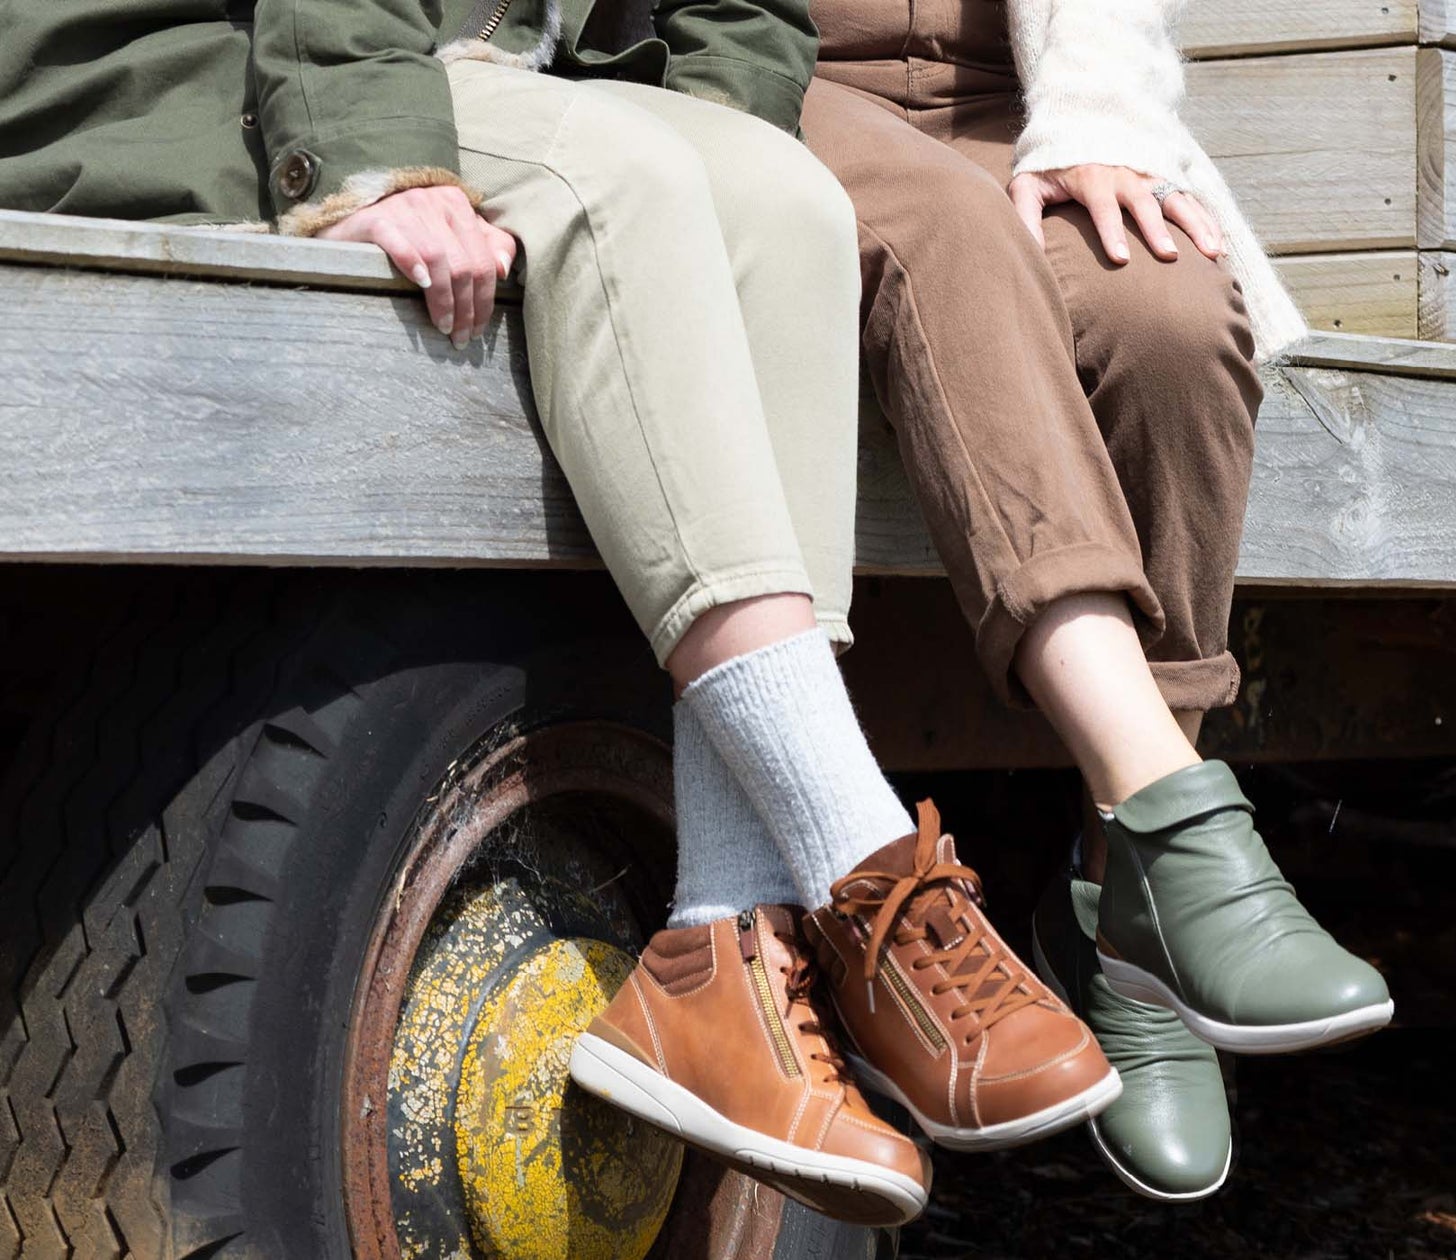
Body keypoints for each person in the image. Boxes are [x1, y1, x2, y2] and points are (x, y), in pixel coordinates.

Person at [0, 0, 1120, 1228]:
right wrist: (377, 154)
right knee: (625, 181)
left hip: (478, 78)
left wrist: (712, 192)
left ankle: (722, 938)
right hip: (221, 70)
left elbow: (744, 24)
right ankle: (859, 858)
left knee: (787, 203)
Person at [798, 0, 1395, 1201]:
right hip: (794, 87)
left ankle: (1120, 902)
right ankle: (1173, 832)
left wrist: (1097, 119)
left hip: (1003, 102)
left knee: (1169, 320)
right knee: (950, 233)